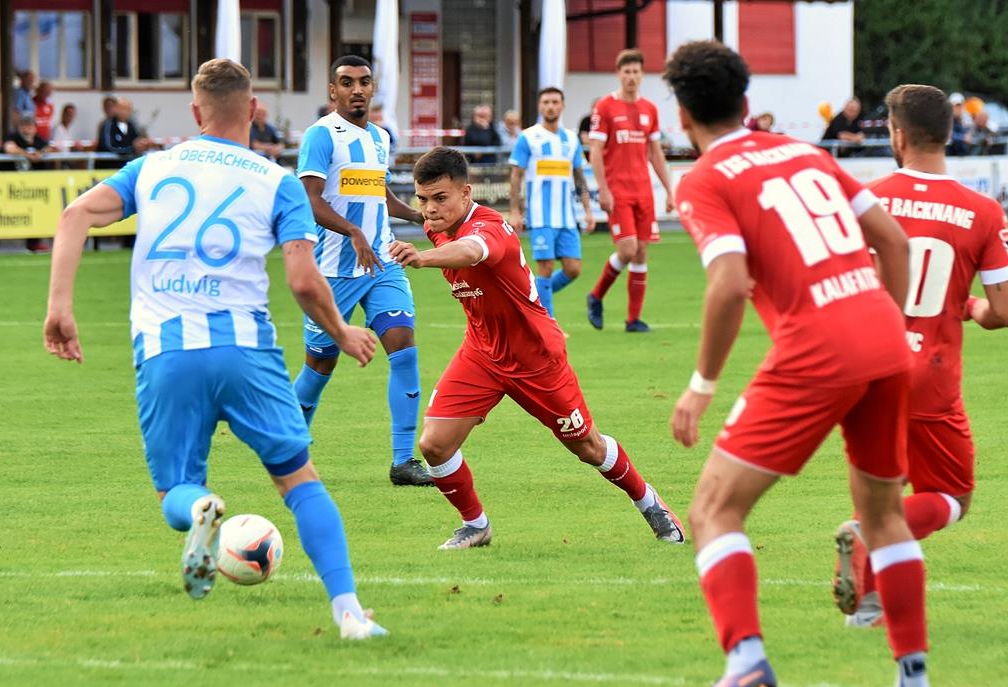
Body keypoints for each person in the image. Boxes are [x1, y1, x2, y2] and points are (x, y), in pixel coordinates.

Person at [41, 58, 388, 640]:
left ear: (196, 112)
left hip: (166, 351)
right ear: (253, 110)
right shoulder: (276, 180)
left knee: (174, 490)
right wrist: (342, 331)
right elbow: (303, 281)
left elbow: (74, 216)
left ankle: (201, 507)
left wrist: (60, 309)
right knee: (299, 481)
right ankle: (349, 612)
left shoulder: (152, 168)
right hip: (246, 350)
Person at [661, 40, 937, 687]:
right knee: (884, 516)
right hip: (883, 333)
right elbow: (894, 244)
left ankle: (745, 659)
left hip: (817, 346)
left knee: (712, 510)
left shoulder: (702, 179)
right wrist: (890, 330)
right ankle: (914, 686)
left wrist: (701, 385)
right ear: (747, 104)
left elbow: (728, 284)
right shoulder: (806, 152)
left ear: (683, 117)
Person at [391, 147, 685, 550]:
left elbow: (472, 251)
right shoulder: (436, 223)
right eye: (422, 200)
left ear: (466, 193)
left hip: (536, 358)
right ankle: (476, 525)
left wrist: (424, 259)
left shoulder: (490, 230)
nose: (429, 209)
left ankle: (650, 503)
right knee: (434, 444)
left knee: (589, 447)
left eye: (440, 198)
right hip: (481, 351)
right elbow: (432, 227)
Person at [833, 84, 1008, 628]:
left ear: (898, 134)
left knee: (879, 492)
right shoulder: (982, 211)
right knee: (953, 494)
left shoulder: (868, 200)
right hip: (932, 379)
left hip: (867, 374)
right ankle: (865, 543)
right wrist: (967, 307)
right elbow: (1005, 311)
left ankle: (865, 606)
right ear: (950, 133)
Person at [293, 55, 432, 487]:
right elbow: (309, 201)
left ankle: (403, 461)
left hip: (382, 263)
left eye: (364, 82)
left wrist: (420, 216)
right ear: (332, 91)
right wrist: (352, 229)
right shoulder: (320, 136)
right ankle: (287, 446)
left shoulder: (379, 138)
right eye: (347, 82)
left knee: (404, 348)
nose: (357, 89)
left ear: (373, 89)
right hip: (333, 271)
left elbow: (378, 192)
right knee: (319, 367)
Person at [585, 48, 674, 333]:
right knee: (627, 248)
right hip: (618, 191)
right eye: (627, 72)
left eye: (636, 71)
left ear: (642, 74)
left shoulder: (650, 109)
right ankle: (596, 295)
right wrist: (603, 189)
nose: (632, 77)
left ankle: (633, 319)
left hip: (644, 191)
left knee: (641, 253)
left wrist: (671, 190)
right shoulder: (605, 106)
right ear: (618, 74)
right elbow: (595, 151)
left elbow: (656, 153)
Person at [508, 87, 595, 319]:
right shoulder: (528, 137)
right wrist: (515, 210)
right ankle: (548, 324)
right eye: (546, 102)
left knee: (573, 268)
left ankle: (530, 301)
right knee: (545, 268)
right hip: (540, 215)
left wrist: (588, 210)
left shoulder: (571, 138)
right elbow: (516, 175)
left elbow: (578, 176)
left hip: (567, 216)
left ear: (562, 106)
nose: (551, 106)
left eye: (555, 102)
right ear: (540, 106)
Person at [3, 114, 55, 252]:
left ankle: (33, 243)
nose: (27, 129)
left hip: (31, 187)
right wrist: (27, 155)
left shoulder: (38, 140)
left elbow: (50, 148)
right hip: (10, 184)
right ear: (20, 127)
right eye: (24, 125)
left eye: (30, 126)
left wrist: (40, 153)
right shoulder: (13, 137)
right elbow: (9, 148)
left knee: (34, 211)